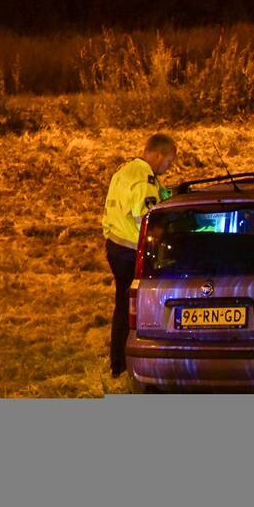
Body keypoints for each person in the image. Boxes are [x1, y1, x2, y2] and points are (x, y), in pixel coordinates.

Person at [101, 133, 177, 378]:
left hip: (115, 244)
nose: (169, 167)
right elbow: (146, 217)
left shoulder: (126, 170)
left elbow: (160, 195)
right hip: (130, 250)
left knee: (123, 305)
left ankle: (119, 363)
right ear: (158, 155)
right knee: (133, 307)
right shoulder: (144, 179)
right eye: (169, 161)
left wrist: (175, 194)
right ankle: (124, 365)